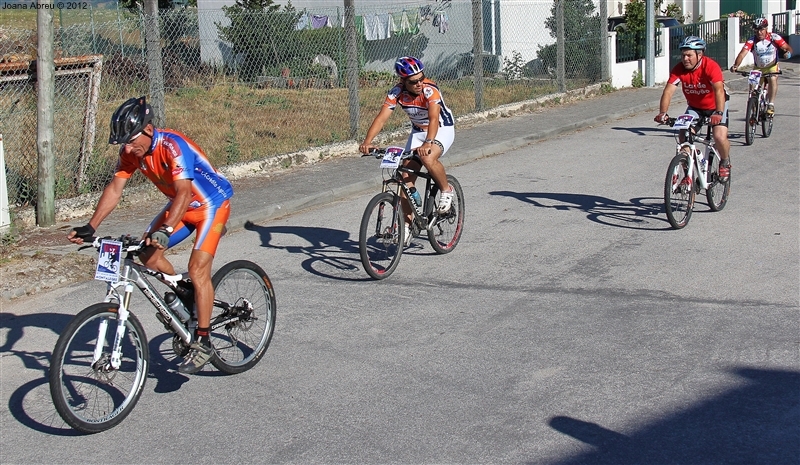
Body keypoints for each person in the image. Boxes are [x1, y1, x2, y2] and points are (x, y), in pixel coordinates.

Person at [68, 96, 234, 375]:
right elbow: (115, 188)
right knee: (147, 256)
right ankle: (186, 292)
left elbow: (183, 192)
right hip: (181, 207)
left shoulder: (172, 145)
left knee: (198, 269)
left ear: (148, 130)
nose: (129, 149)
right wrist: (91, 226)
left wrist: (166, 230)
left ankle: (204, 342)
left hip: (210, 206)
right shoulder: (131, 152)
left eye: (132, 141)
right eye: (124, 144)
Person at [358, 56, 456, 245]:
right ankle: (408, 226)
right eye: (413, 82)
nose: (419, 83)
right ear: (403, 81)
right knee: (404, 176)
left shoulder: (429, 90)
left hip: (441, 129)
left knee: (427, 159)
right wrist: (368, 142)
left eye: (421, 78)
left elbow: (434, 118)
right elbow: (381, 119)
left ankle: (446, 189)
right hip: (419, 132)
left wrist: (429, 143)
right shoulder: (396, 93)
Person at [654, 36, 731, 182]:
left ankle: (725, 161)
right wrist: (663, 113)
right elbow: (668, 91)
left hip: (717, 106)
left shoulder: (710, 66)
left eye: (689, 55)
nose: (685, 59)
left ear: (699, 54)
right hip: (695, 107)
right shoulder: (679, 69)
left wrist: (719, 113)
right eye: (683, 55)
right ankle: (688, 173)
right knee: (684, 136)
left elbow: (719, 91)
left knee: (719, 137)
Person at [729, 17, 793, 116]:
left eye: (761, 29)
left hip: (772, 66)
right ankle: (753, 108)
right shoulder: (752, 40)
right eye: (757, 30)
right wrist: (736, 66)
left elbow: (788, 48)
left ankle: (771, 104)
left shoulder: (774, 37)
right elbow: (742, 54)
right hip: (758, 68)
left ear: (766, 29)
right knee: (753, 89)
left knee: (772, 78)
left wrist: (787, 53)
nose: (759, 32)